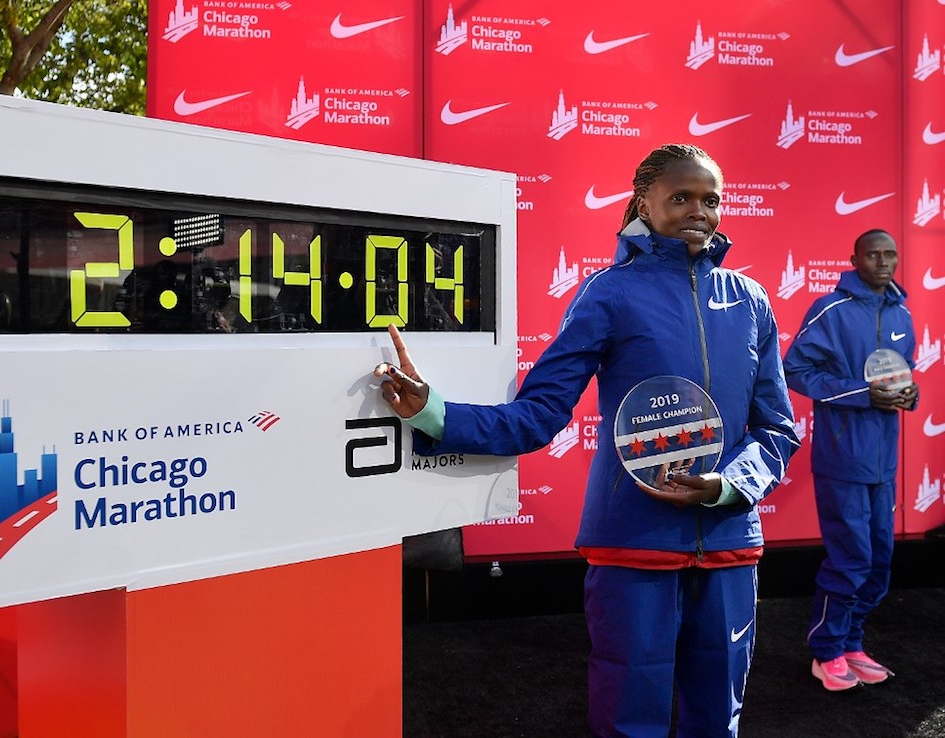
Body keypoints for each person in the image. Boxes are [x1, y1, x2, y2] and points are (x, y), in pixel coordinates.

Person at [374, 143, 799, 737]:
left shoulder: (750, 301)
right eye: (680, 197)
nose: (698, 211)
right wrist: (436, 414)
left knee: (718, 718)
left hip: (730, 542)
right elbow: (539, 413)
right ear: (643, 203)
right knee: (630, 717)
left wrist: (731, 485)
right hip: (633, 539)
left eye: (711, 199)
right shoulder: (609, 293)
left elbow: (777, 428)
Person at [783, 229, 918, 692]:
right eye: (873, 255)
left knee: (879, 562)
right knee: (851, 560)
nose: (883, 262)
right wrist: (865, 396)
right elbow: (796, 370)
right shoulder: (831, 309)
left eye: (890, 255)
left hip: (884, 464)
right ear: (855, 260)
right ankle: (826, 652)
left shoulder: (901, 312)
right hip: (842, 459)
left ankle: (852, 644)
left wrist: (908, 393)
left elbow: (901, 375)